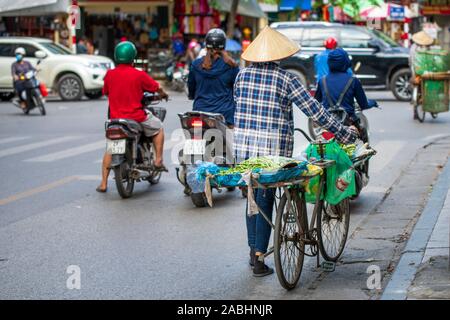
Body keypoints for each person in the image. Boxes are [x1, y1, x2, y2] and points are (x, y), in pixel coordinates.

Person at [234, 26, 358, 277]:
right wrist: (345, 133)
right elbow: (316, 112)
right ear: (278, 55)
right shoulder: (285, 78)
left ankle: (252, 251)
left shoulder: (241, 76)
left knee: (252, 196)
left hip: (243, 153)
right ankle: (259, 258)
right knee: (266, 198)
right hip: (273, 154)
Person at [96, 41, 169, 193]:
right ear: (133, 57)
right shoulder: (139, 75)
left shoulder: (110, 75)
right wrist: (163, 94)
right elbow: (156, 87)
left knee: (110, 148)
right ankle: (158, 160)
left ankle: (103, 183)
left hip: (115, 120)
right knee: (158, 128)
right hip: (136, 118)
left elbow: (106, 92)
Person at [188, 29, 239, 126]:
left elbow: (191, 86)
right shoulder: (231, 66)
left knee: (196, 136)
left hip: (200, 112)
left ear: (206, 44)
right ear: (223, 45)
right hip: (225, 115)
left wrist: (191, 96)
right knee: (231, 139)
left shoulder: (196, 65)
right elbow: (238, 88)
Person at [314, 48, 369, 126]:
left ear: (329, 63)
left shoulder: (322, 81)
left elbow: (316, 102)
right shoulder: (353, 81)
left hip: (328, 124)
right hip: (348, 123)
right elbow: (363, 104)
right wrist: (372, 103)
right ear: (346, 62)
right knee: (361, 134)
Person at [409, 31, 434, 120]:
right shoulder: (429, 48)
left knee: (413, 85)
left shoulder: (413, 47)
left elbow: (410, 61)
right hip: (423, 72)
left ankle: (415, 111)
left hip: (416, 72)